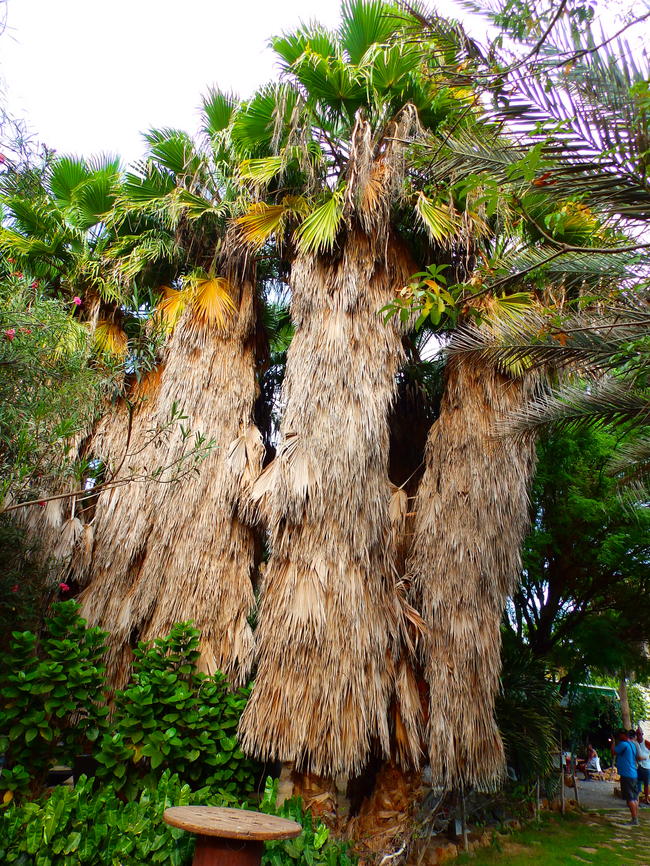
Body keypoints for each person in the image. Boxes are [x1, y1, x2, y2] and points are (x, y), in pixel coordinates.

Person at [611, 729, 640, 825]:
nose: (619, 736)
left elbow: (613, 752)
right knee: (635, 797)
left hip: (627, 775)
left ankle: (634, 819)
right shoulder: (632, 744)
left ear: (624, 735)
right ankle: (635, 818)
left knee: (630, 798)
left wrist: (613, 742)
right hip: (634, 773)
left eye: (620, 735)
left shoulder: (623, 744)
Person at [635, 728, 650, 806]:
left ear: (642, 734)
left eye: (640, 734)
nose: (638, 736)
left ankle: (646, 798)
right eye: (637, 734)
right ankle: (636, 798)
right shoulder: (635, 743)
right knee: (637, 782)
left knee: (646, 783)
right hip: (638, 765)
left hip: (646, 766)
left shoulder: (646, 743)